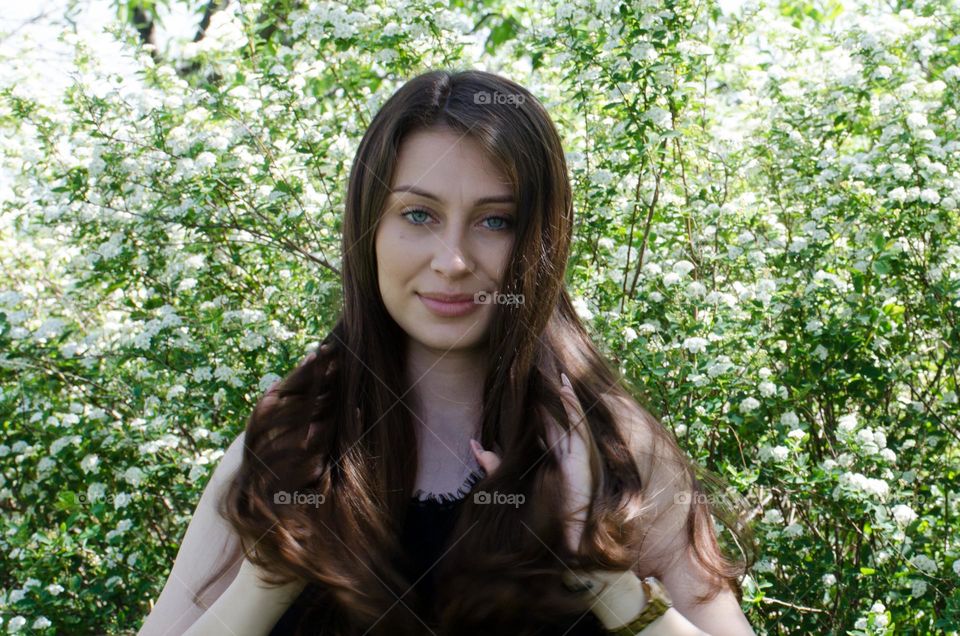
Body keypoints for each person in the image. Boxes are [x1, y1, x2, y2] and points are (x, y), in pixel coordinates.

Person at [138, 69, 757, 636]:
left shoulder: (617, 449)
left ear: (541, 239)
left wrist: (600, 575)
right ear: (369, 229)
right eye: (418, 214)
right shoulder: (286, 447)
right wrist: (269, 577)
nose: (454, 261)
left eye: (496, 222)